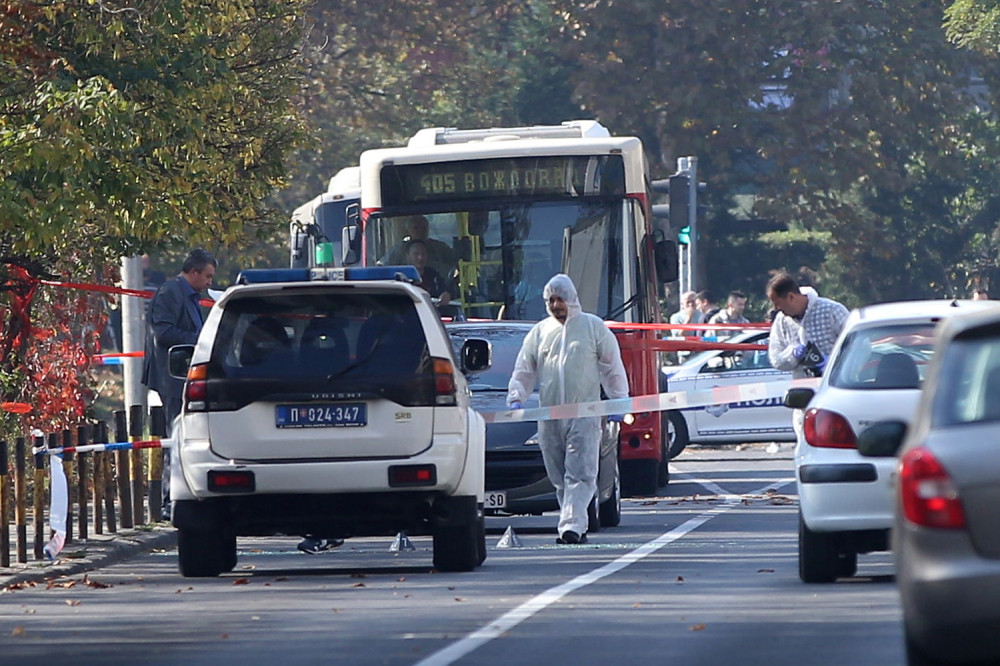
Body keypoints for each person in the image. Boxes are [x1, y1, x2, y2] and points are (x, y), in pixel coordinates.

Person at [507, 274, 630, 545]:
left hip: (584, 415)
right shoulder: (540, 332)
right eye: (550, 299)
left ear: (572, 299)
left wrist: (619, 400)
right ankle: (574, 523)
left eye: (560, 299)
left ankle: (571, 527)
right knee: (559, 475)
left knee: (581, 472)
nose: (555, 304)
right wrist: (517, 396)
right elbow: (525, 368)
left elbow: (612, 368)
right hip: (549, 416)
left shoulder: (593, 327)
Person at [141, 248, 217, 521]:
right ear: (193, 272)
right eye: (207, 276)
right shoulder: (171, 293)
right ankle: (168, 501)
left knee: (186, 438)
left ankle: (182, 495)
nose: (210, 282)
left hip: (186, 378)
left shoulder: (191, 296)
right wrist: (200, 341)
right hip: (172, 377)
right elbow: (162, 333)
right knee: (177, 438)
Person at [766, 273, 849, 439]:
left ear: (791, 297)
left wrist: (833, 364)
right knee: (806, 445)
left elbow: (857, 348)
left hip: (835, 392)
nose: (776, 309)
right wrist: (792, 354)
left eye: (778, 303)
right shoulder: (782, 321)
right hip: (803, 398)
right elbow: (775, 359)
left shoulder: (832, 310)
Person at [383, 215, 457, 279]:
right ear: (408, 231)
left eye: (423, 228)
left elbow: (455, 264)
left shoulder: (440, 248)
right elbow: (383, 267)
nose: (420, 231)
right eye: (416, 228)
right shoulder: (399, 250)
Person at [405, 239, 452, 307]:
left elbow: (445, 291)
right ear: (408, 256)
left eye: (423, 254)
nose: (420, 258)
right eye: (416, 254)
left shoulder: (433, 275)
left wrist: (446, 295)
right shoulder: (401, 277)